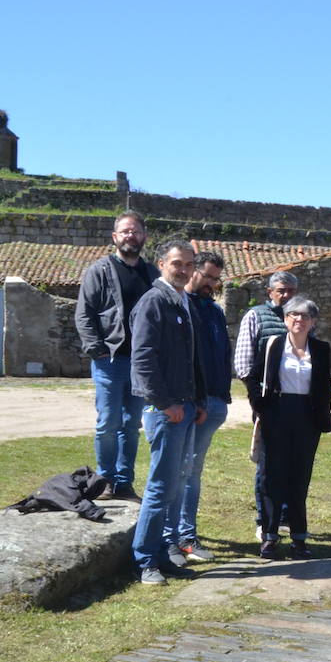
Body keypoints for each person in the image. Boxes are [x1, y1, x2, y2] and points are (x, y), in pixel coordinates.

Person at [129, 241, 206, 586]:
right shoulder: (154, 301)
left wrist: (197, 401)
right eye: (177, 263)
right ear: (161, 264)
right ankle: (145, 561)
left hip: (185, 407)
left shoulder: (183, 301)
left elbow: (192, 359)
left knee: (174, 485)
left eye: (189, 264)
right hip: (166, 410)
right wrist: (164, 403)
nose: (184, 269)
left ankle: (162, 552)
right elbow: (143, 359)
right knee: (160, 487)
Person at [74, 210, 159, 502]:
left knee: (131, 425)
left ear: (144, 236)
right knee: (108, 423)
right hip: (109, 359)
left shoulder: (152, 274)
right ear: (115, 237)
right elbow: (84, 313)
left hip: (141, 363)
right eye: (125, 231)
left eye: (135, 231)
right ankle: (104, 480)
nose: (130, 236)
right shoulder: (100, 270)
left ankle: (124, 483)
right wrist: (95, 348)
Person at [246, 295, 331, 560]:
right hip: (277, 414)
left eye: (305, 316)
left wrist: (322, 414)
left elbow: (325, 386)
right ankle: (270, 537)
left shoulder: (321, 349)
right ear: (285, 319)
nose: (299, 320)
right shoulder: (273, 345)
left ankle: (299, 539)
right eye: (293, 315)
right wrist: (261, 407)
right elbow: (253, 376)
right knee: (273, 476)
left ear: (313, 322)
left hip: (307, 417)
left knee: (299, 477)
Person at [165, 251, 231, 567]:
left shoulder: (214, 311)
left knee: (193, 471)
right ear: (192, 271)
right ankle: (174, 540)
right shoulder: (179, 306)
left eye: (217, 279)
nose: (212, 284)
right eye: (208, 277)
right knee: (180, 472)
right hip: (191, 403)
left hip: (214, 402)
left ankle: (185, 537)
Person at [234, 271, 299, 538]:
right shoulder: (256, 316)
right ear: (269, 291)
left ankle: (285, 516)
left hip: (297, 404)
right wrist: (257, 400)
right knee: (268, 464)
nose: (286, 296)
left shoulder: (301, 317)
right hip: (268, 403)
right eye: (281, 290)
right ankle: (265, 519)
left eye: (291, 291)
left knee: (294, 462)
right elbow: (243, 363)